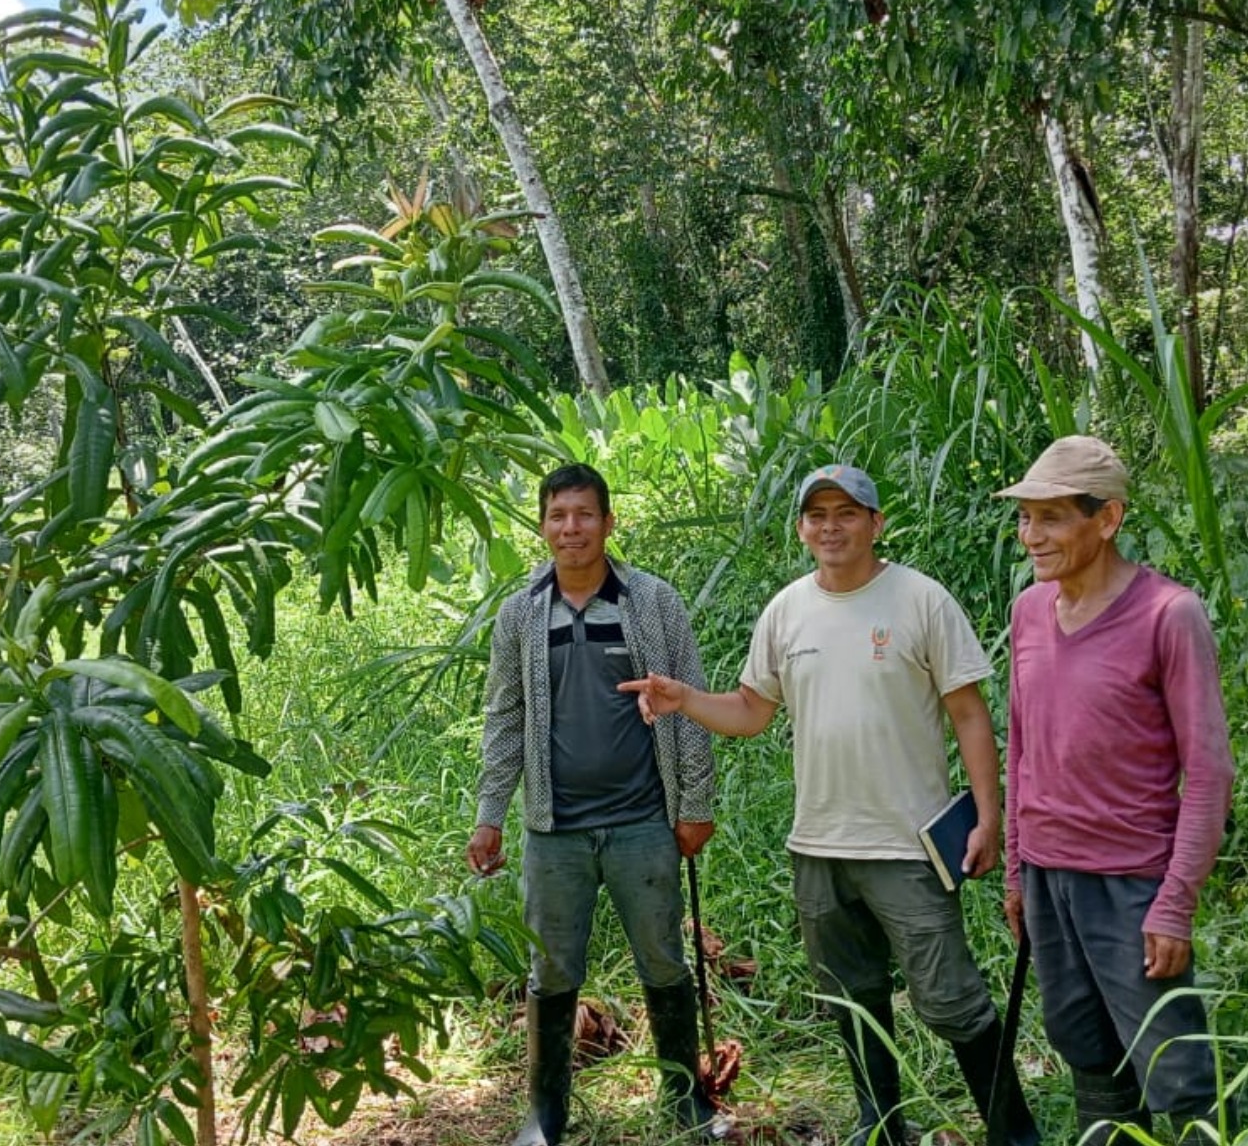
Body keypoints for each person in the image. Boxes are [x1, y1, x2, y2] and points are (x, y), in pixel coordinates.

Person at [623, 463, 1039, 1146]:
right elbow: (754, 710)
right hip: (819, 844)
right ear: (800, 529)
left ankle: (1012, 1130)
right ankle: (882, 1125)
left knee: (952, 999)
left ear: (877, 524)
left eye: (848, 513)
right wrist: (683, 700)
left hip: (908, 845)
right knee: (852, 996)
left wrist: (990, 816)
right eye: (818, 515)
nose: (831, 526)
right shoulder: (788, 610)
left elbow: (968, 713)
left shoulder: (920, 600)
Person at [466, 462, 720, 1145]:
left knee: (664, 960)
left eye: (584, 515)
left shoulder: (653, 602)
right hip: (555, 830)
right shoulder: (522, 614)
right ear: (542, 525)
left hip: (642, 820)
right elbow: (504, 719)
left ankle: (685, 1099)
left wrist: (695, 802)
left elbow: (689, 703)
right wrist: (490, 815)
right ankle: (545, 1113)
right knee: (550, 969)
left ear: (609, 523)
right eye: (557, 516)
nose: (570, 528)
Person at [994, 436, 1237, 1144]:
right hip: (1047, 878)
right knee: (1088, 1058)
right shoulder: (1030, 612)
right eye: (1025, 519)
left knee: (1181, 1074)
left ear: (1108, 519)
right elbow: (1023, 749)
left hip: (1132, 883)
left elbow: (1211, 771)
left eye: (1052, 518)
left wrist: (1175, 902)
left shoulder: (1169, 615)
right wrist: (1016, 868)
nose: (1032, 537)